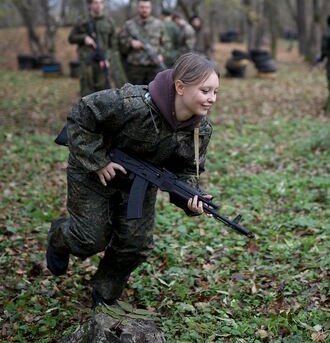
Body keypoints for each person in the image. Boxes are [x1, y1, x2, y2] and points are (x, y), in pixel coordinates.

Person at [46, 53, 219, 307]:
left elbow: (187, 170)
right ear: (180, 87)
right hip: (94, 172)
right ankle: (59, 237)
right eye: (205, 91)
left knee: (136, 245)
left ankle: (104, 292)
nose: (211, 99)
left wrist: (191, 198)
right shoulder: (132, 104)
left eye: (215, 92)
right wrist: (98, 161)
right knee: (89, 238)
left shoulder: (200, 131)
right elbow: (82, 114)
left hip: (140, 182)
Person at [68, 0, 116, 96]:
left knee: (103, 92)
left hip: (102, 62)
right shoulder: (82, 21)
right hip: (86, 62)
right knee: (87, 92)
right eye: (95, 3)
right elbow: (71, 38)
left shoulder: (109, 22)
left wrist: (107, 59)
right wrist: (83, 38)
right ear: (90, 5)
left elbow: (112, 45)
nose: (98, 5)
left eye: (101, 3)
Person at [118, 0, 171, 85]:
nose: (144, 10)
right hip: (135, 67)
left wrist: (161, 55)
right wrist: (130, 43)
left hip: (154, 66)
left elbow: (167, 43)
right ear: (138, 8)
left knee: (153, 94)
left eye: (147, 7)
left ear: (151, 9)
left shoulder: (158, 24)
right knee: (134, 94)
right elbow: (120, 41)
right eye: (142, 7)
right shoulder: (129, 24)